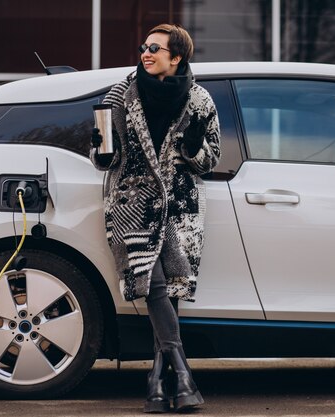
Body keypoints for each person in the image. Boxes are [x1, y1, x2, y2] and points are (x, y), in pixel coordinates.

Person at [90, 23, 220, 413]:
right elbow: (102, 159)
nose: (145, 53)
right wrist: (100, 147)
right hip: (133, 204)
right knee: (156, 285)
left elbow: (210, 160)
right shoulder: (120, 95)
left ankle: (159, 382)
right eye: (143, 46)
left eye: (155, 48)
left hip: (179, 207)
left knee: (168, 292)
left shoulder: (199, 100)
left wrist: (195, 148)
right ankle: (182, 375)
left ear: (175, 57)